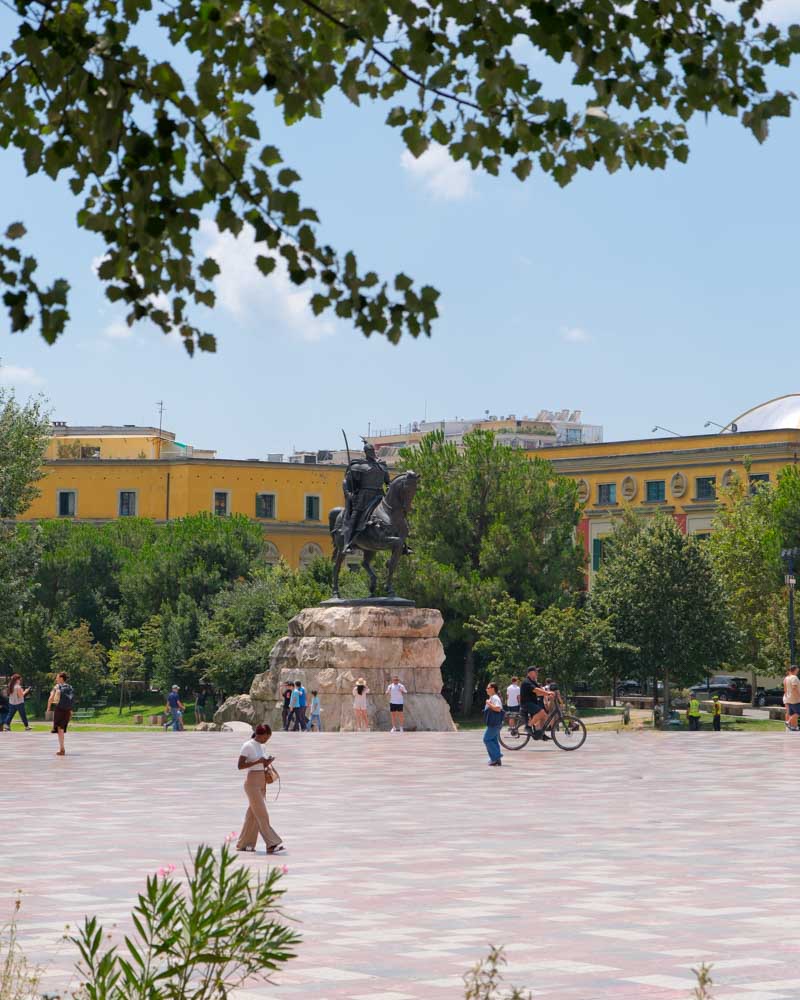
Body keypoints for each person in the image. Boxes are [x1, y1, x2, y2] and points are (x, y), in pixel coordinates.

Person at [235, 724, 285, 855]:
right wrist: (258, 761)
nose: (267, 740)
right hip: (252, 783)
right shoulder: (248, 745)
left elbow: (261, 763)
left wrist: (266, 762)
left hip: (261, 781)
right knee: (262, 814)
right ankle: (272, 843)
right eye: (267, 737)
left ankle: (244, 844)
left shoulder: (262, 746)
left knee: (252, 816)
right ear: (261, 735)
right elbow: (240, 765)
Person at [519, 665, 551, 741]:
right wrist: (548, 693)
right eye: (536, 671)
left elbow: (540, 692)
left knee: (544, 716)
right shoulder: (526, 682)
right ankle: (528, 726)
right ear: (530, 673)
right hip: (526, 704)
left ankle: (541, 733)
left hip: (532, 703)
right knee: (541, 712)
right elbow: (536, 690)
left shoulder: (533, 681)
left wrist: (550, 694)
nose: (537, 673)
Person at [47, 672, 74, 756]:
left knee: (60, 729)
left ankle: (62, 748)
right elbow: (71, 699)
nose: (56, 679)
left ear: (61, 678)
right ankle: (62, 748)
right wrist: (70, 710)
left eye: (57, 677)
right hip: (67, 710)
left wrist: (48, 708)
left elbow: (51, 698)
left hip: (59, 709)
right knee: (61, 728)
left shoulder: (57, 687)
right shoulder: (70, 687)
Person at [483, 682, 504, 766]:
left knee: (487, 739)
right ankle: (496, 759)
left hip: (494, 723)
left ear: (492, 689)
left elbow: (498, 709)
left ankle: (496, 757)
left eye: (488, 688)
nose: (486, 690)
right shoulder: (493, 697)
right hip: (494, 723)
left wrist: (488, 703)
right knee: (493, 740)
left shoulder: (495, 698)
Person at [784, 664, 800, 731]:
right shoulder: (794, 677)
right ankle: (788, 722)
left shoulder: (787, 678)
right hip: (795, 698)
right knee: (798, 713)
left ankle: (794, 727)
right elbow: (794, 688)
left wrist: (786, 696)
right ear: (795, 670)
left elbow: (785, 689)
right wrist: (799, 696)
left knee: (792, 713)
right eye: (797, 670)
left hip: (789, 698)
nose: (798, 672)